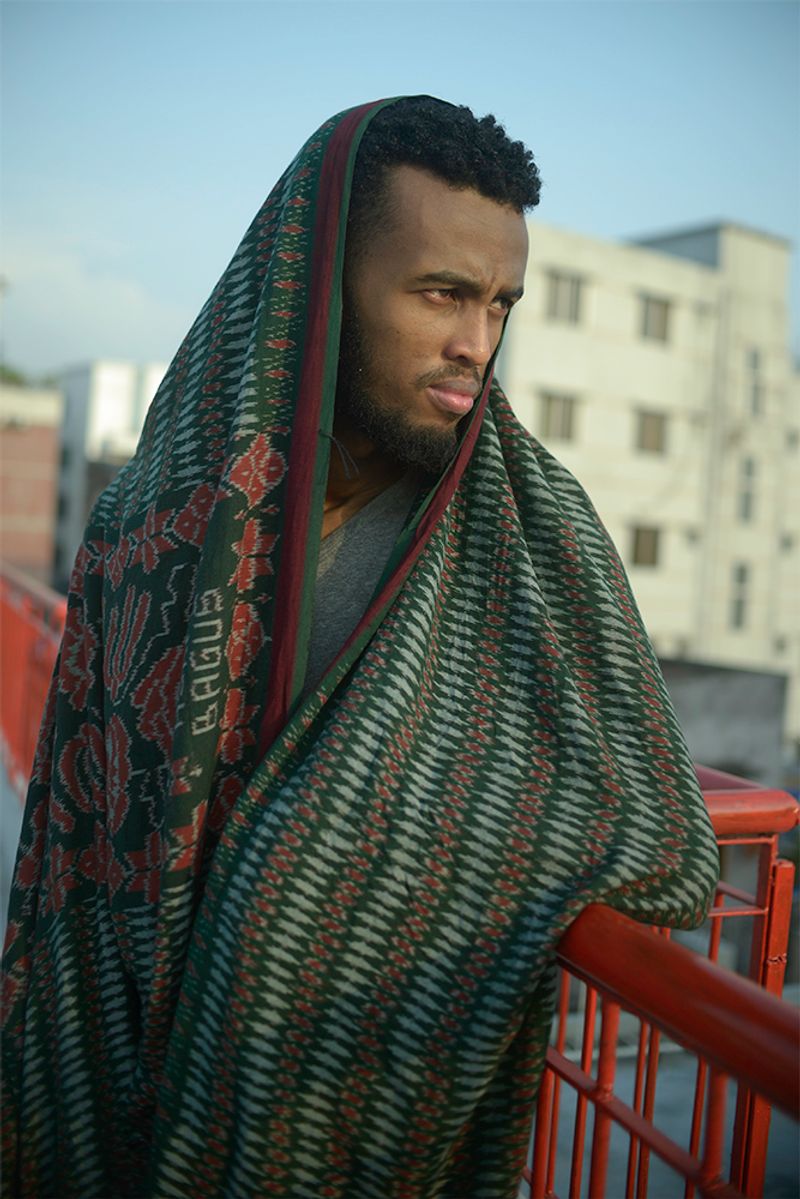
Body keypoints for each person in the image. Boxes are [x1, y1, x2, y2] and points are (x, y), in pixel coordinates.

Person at [2, 97, 719, 1199]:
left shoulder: (535, 537)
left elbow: (658, 831)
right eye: (440, 292)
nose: (474, 342)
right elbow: (78, 835)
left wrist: (354, 868)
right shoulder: (157, 523)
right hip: (110, 1080)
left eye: (498, 304)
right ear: (317, 284)